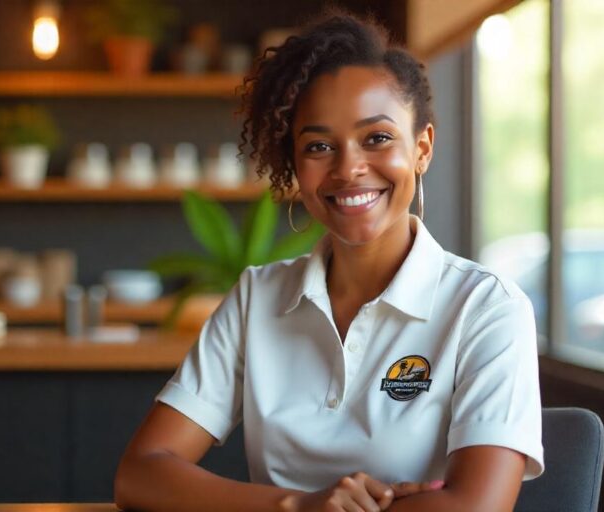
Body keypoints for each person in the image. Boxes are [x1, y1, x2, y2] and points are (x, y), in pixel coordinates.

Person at [115, 11, 543, 512]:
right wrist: (297, 505)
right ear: (294, 164)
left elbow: (477, 508)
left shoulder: (487, 308)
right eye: (319, 146)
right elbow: (140, 475)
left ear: (422, 148)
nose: (348, 168)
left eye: (377, 138)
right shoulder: (258, 297)